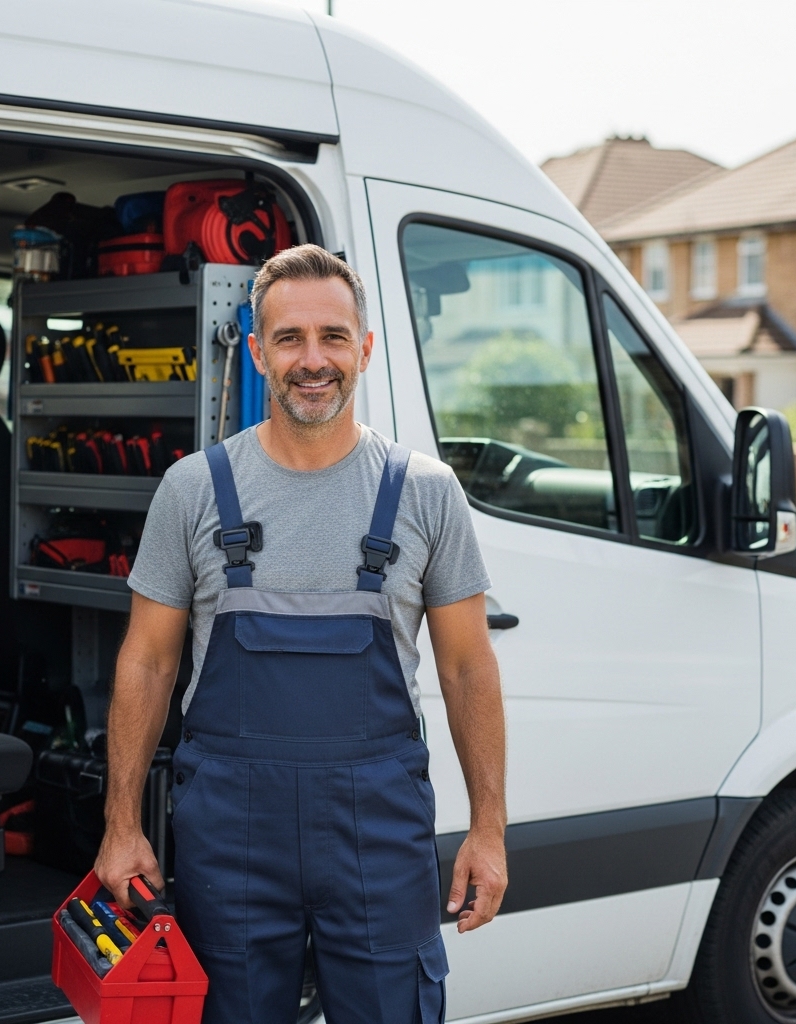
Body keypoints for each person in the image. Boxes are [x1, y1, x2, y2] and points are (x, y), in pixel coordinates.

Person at [96, 244, 507, 1023]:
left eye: (332, 337)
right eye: (289, 339)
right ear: (256, 351)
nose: (312, 360)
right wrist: (120, 826)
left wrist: (489, 828)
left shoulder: (425, 493)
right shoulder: (192, 489)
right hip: (230, 839)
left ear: (365, 350)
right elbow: (147, 663)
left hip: (378, 835)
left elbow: (467, 671)